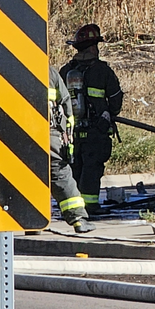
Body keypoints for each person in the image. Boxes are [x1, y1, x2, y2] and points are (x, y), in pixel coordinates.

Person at [59, 24, 124, 216]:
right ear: (93, 47)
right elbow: (115, 99)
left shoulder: (65, 71)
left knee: (74, 167)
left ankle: (73, 208)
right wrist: (108, 115)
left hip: (71, 131)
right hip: (96, 130)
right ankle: (90, 207)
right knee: (91, 167)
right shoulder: (102, 71)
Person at [48, 67, 95, 233]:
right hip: (48, 134)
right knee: (60, 173)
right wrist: (67, 134)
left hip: (10, 136)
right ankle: (78, 219)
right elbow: (66, 104)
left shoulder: (2, 66)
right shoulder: (48, 72)